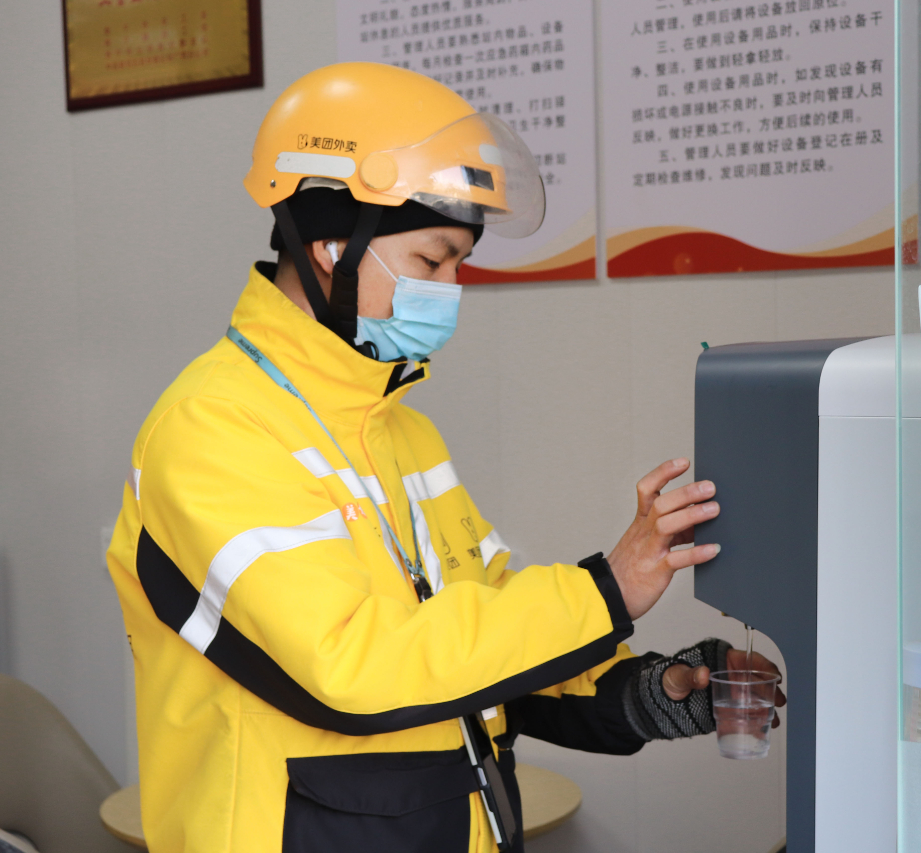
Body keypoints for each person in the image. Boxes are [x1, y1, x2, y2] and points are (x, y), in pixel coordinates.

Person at [106, 62, 783, 853]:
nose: (451, 289)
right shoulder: (214, 429)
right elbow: (353, 672)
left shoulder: (401, 431)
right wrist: (604, 590)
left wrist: (646, 690)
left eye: (459, 264)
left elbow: (482, 642)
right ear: (331, 244)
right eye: (432, 262)